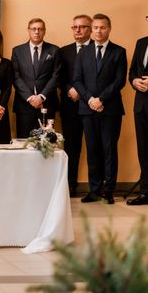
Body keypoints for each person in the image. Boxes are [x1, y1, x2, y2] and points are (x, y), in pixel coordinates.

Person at [73, 13, 126, 204]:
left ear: (109, 29)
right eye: (95, 27)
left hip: (110, 109)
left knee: (109, 149)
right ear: (91, 29)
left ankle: (108, 190)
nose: (98, 31)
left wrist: (101, 99)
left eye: (102, 28)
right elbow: (77, 80)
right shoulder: (83, 52)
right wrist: (90, 99)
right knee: (93, 150)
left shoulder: (119, 52)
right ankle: (94, 190)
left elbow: (119, 81)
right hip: (88, 109)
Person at [126, 8, 148, 206]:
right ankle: (147, 193)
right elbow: (132, 72)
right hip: (141, 107)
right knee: (144, 152)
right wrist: (134, 81)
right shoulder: (141, 42)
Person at [59, 14, 92, 196]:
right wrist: (69, 89)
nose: (77, 30)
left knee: (95, 147)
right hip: (70, 105)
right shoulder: (64, 51)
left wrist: (84, 93)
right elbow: (59, 77)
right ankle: (70, 184)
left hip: (92, 106)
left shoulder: (98, 49)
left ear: (90, 28)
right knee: (71, 148)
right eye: (74, 27)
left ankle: (97, 186)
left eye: (82, 26)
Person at [12, 18, 61, 138]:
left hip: (47, 104)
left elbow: (56, 76)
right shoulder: (17, 51)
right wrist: (30, 97)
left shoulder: (54, 50)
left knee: (47, 143)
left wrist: (41, 96)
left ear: (44, 31)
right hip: (24, 105)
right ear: (28, 31)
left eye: (40, 29)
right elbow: (15, 76)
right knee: (24, 142)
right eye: (33, 29)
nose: (36, 32)